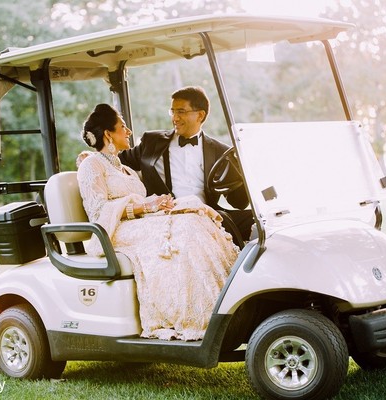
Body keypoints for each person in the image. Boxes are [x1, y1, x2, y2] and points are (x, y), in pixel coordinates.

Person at [76, 103, 239, 341]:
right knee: (186, 227)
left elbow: (138, 199)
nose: (129, 132)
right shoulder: (91, 165)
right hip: (113, 232)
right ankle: (194, 316)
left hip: (138, 223)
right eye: (123, 127)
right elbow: (98, 211)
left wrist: (158, 203)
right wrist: (144, 207)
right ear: (109, 134)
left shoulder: (125, 170)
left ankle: (225, 304)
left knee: (196, 218)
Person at [118, 86, 253, 246]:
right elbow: (118, 160)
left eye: (181, 112)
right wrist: (93, 157)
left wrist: (246, 171)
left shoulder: (220, 151)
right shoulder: (152, 142)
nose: (175, 118)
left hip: (207, 214)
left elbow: (239, 202)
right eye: (172, 111)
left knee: (259, 220)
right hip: (168, 215)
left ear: (200, 115)